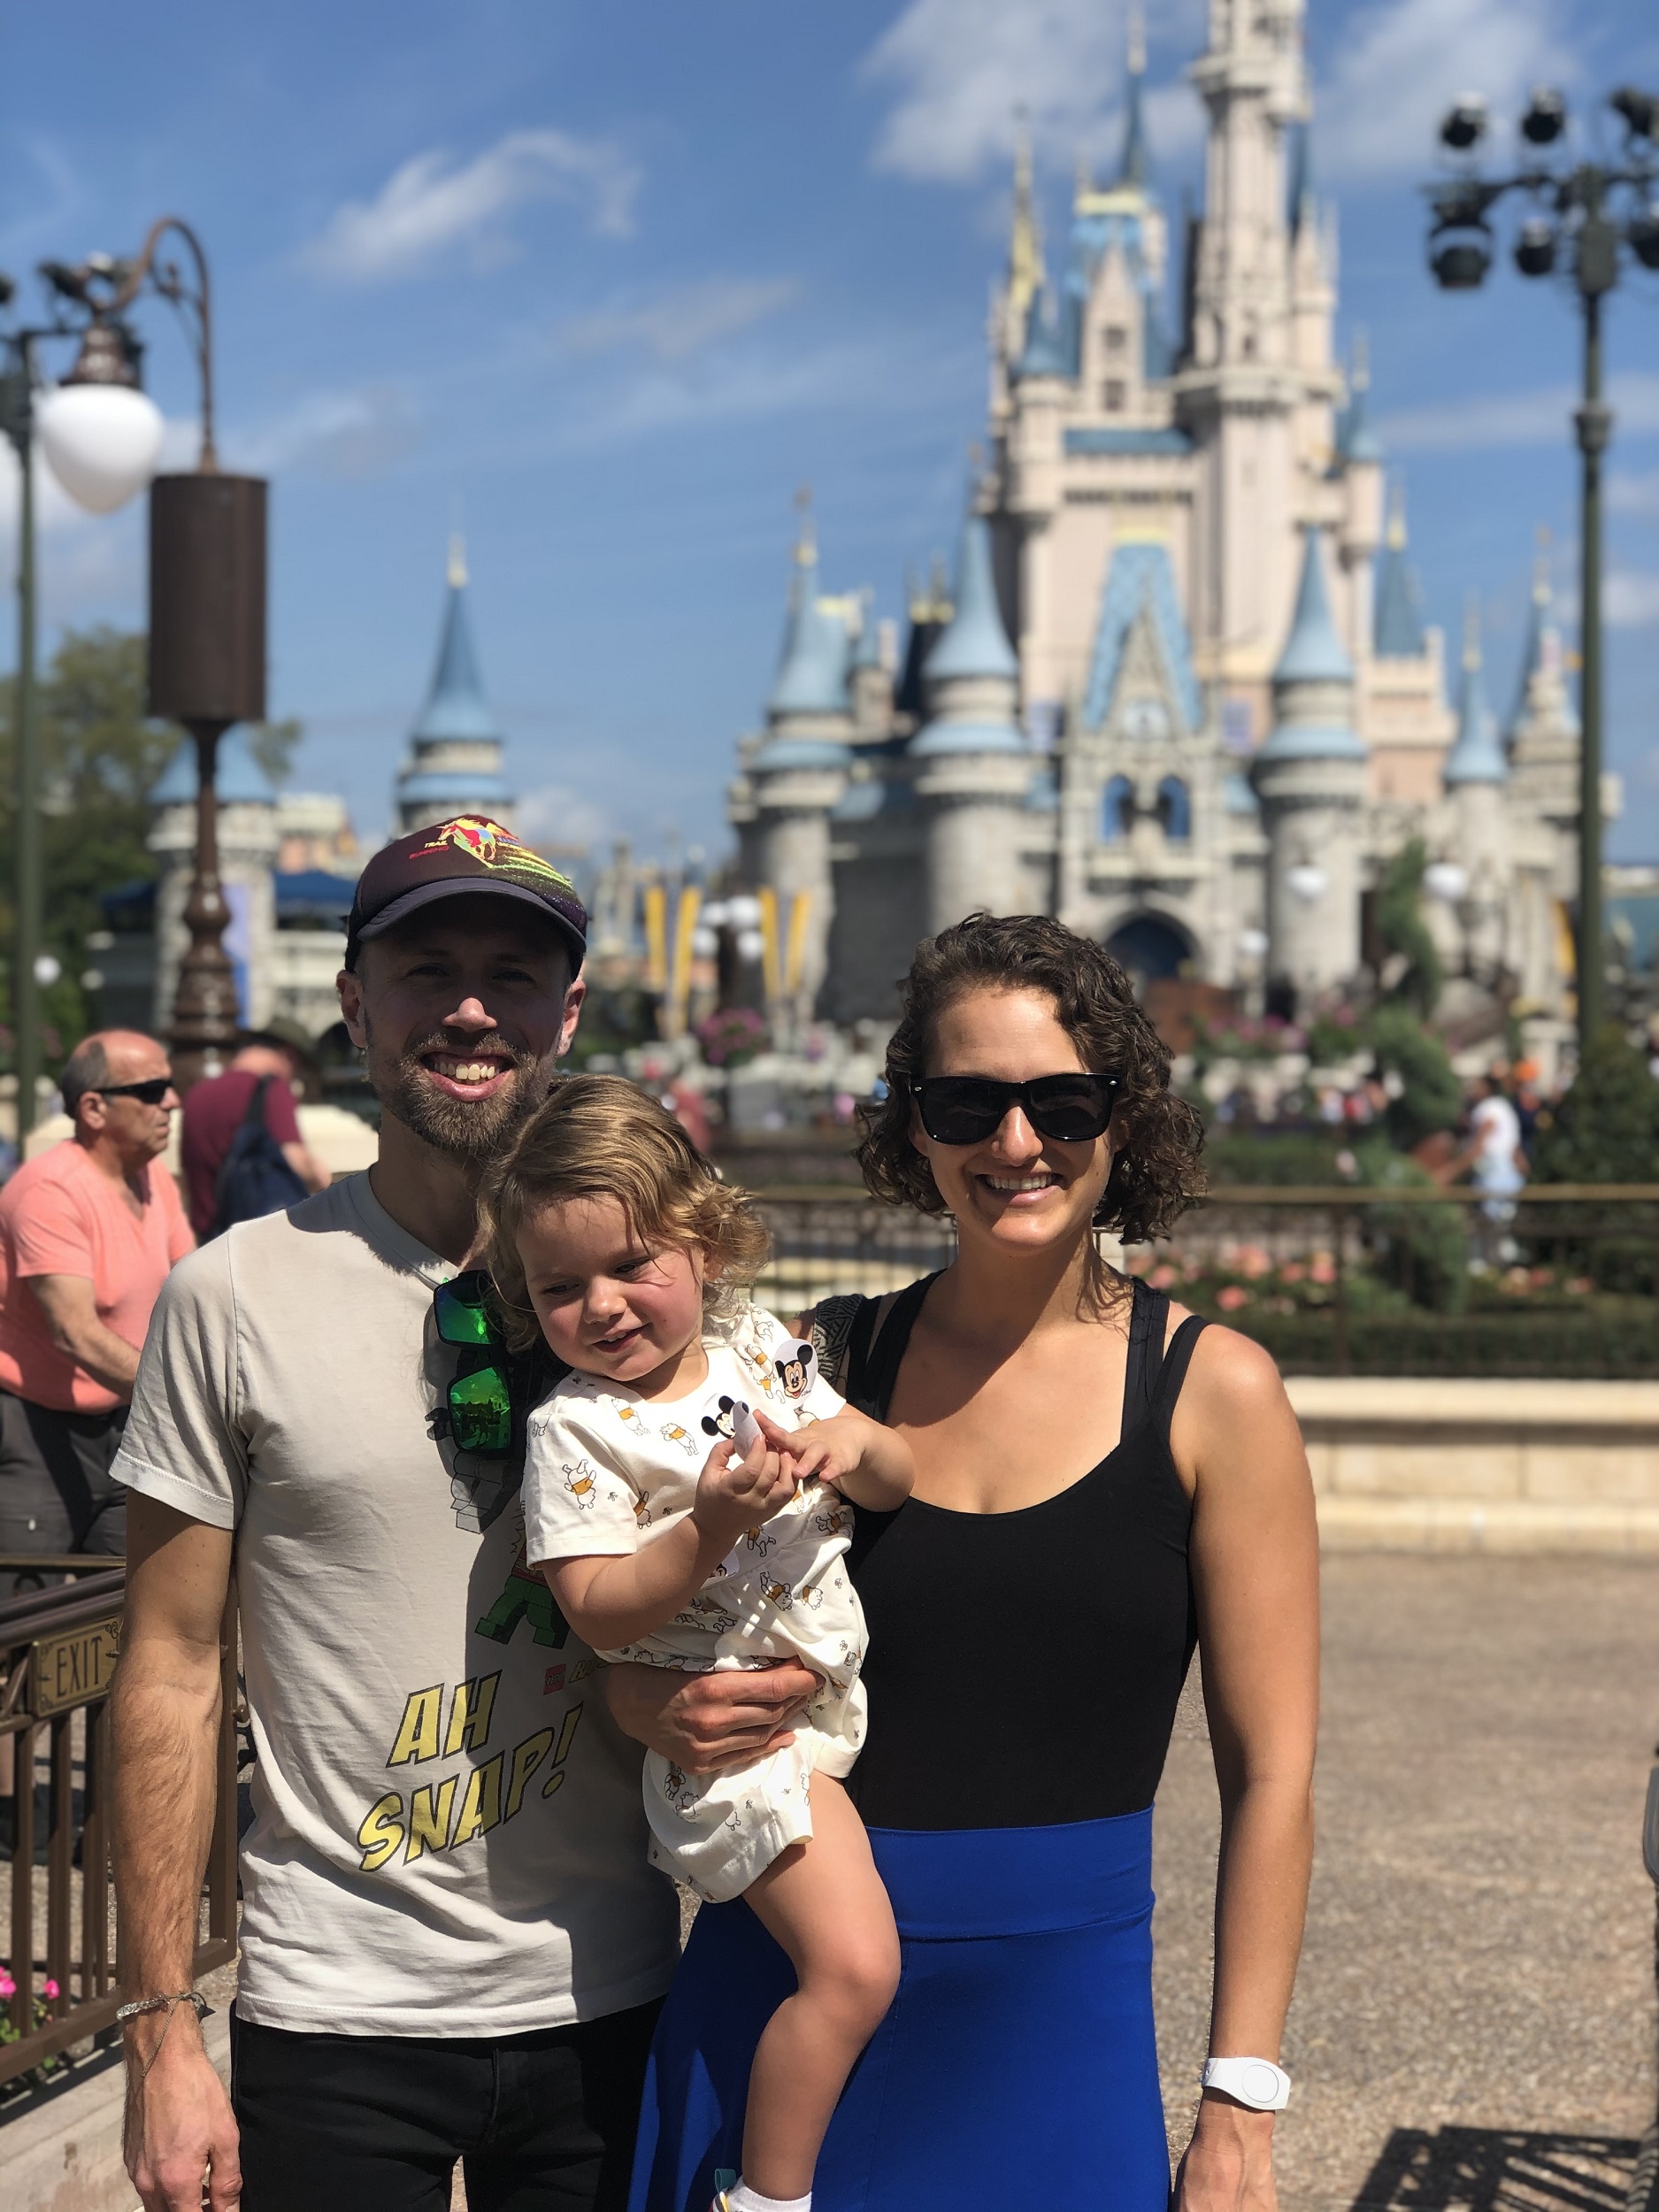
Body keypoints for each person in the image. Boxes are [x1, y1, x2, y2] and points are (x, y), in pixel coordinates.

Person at [109, 818, 810, 2212]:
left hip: (607, 1985)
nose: (471, 1008)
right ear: (356, 1005)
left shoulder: (659, 1306)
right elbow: (172, 1664)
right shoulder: (235, 1294)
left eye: (511, 971)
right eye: (427, 968)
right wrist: (158, 2027)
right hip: (332, 2011)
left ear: (568, 1012)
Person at [612, 912, 1320, 2212]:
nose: (1013, 1144)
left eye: (1060, 1100)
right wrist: (643, 1704)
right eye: (965, 1102)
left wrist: (1240, 2100)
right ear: (911, 1121)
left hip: (1051, 2031)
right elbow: (626, 1626)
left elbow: (1269, 1773)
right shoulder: (808, 1364)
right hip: (780, 1996)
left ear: (1123, 1112)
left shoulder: (1213, 1394)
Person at [481, 1078, 913, 2212]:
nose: (605, 1306)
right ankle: (770, 2196)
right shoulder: (574, 1427)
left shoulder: (759, 1345)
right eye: (560, 1288)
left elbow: (898, 1471)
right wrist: (711, 1521)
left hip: (812, 1699)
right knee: (856, 1968)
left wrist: (846, 1443)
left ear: (704, 1242)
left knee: (860, 1954)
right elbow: (600, 1605)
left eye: (632, 1264)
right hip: (733, 1738)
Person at [0, 1029, 191, 1594]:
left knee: (116, 1608)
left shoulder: (153, 1175)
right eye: (153, 1089)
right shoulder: (48, 1191)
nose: (172, 1101)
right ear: (93, 1108)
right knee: (25, 1624)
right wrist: (190, 1399)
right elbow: (75, 1334)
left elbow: (196, 1290)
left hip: (128, 1421)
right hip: (38, 1428)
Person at [179, 1031, 331, 1238]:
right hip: (251, 1238)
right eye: (298, 1071)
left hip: (208, 1237)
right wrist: (321, 1176)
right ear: (288, 1057)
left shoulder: (197, 1094)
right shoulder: (269, 1090)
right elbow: (296, 1160)